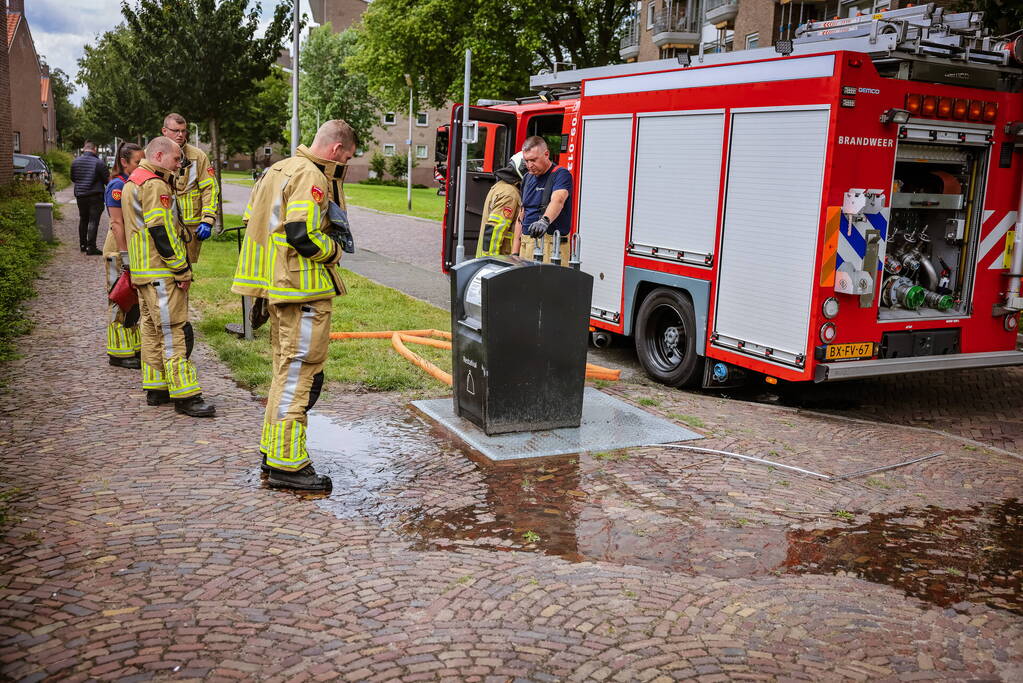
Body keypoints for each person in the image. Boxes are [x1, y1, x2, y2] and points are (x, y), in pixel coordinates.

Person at [231, 120, 356, 492]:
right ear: (336, 149)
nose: (345, 165)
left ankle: (273, 452)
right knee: (300, 375)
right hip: (302, 293)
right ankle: (289, 465)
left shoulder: (277, 169)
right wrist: (335, 251)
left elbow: (252, 222)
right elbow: (300, 233)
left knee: (284, 373)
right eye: (348, 158)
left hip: (278, 289)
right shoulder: (310, 175)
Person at [121, 136, 216, 418]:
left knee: (151, 331)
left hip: (143, 271)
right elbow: (160, 231)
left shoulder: (133, 182)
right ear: (159, 156)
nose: (179, 164)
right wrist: (181, 269)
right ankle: (186, 396)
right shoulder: (154, 185)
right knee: (174, 332)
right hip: (161, 272)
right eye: (176, 159)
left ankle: (157, 388)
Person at [102, 142, 144, 368]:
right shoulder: (117, 185)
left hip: (129, 248)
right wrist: (125, 255)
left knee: (132, 302)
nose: (141, 165)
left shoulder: (131, 182)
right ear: (124, 162)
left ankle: (132, 347)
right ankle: (118, 354)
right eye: (137, 161)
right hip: (118, 249)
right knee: (119, 299)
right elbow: (117, 223)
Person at [161, 113, 219, 264]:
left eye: (183, 130)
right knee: (162, 267)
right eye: (176, 131)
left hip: (190, 227)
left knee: (186, 270)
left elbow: (210, 189)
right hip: (161, 225)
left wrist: (207, 219)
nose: (180, 134)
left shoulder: (198, 156)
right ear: (164, 131)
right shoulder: (153, 154)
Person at [518, 136, 573, 264]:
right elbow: (521, 214)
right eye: (526, 161)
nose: (529, 165)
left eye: (533, 160)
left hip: (551, 246)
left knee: (549, 278)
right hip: (526, 244)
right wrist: (515, 252)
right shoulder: (527, 178)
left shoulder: (561, 174)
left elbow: (558, 199)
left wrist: (544, 221)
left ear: (546, 154)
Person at [477, 152, 525, 258]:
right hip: (502, 259)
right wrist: (491, 261)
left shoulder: (501, 186)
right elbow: (495, 230)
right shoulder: (509, 194)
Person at [70, 141, 110, 254]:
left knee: (83, 219)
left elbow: (73, 178)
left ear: (84, 149)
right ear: (94, 149)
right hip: (95, 196)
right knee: (93, 220)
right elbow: (107, 180)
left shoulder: (75, 162)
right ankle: (91, 247)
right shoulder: (99, 163)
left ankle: (83, 245)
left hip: (80, 195)